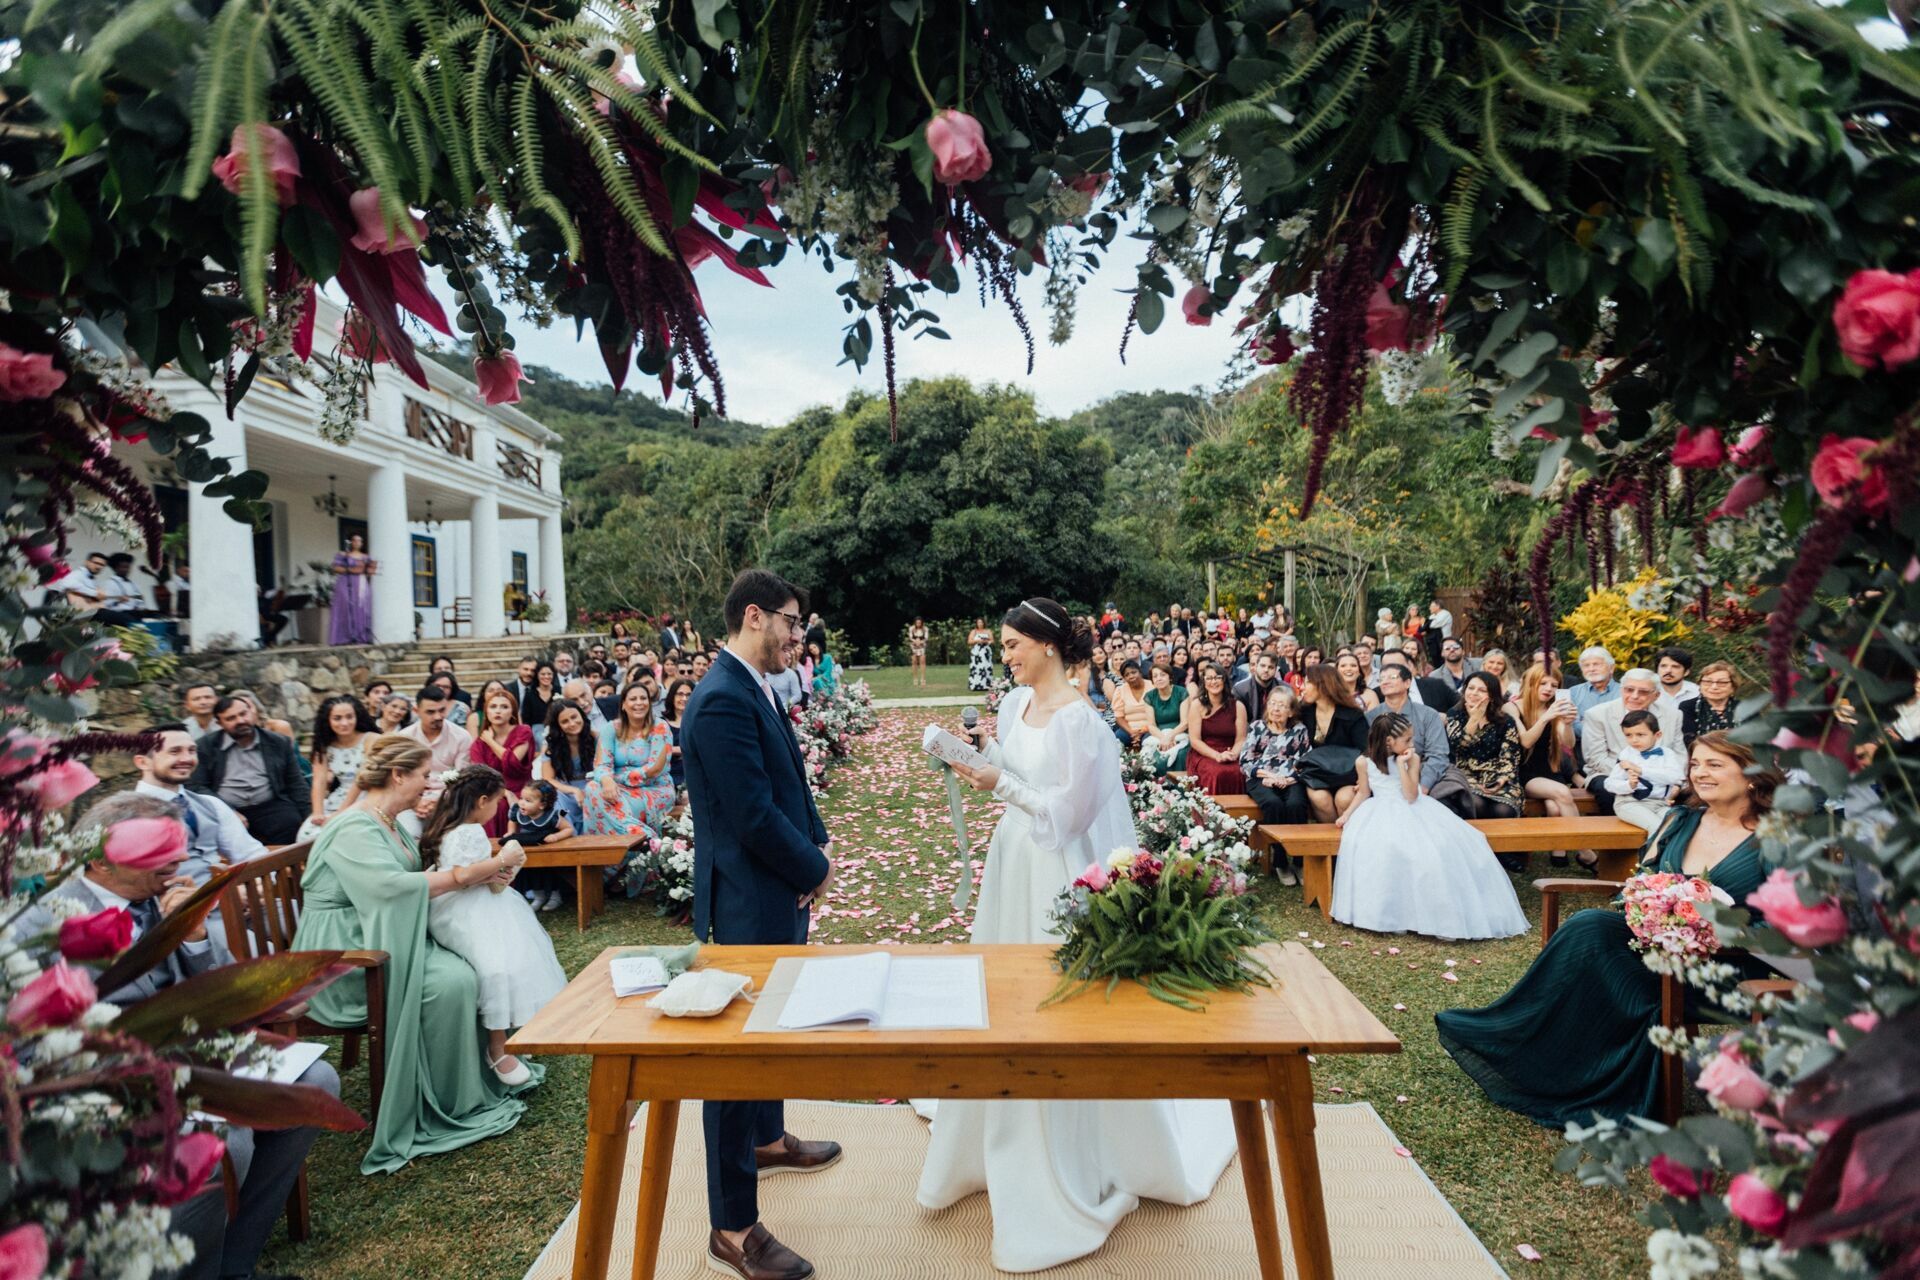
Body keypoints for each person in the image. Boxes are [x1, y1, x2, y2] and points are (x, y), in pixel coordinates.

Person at [930, 597, 1235, 1272]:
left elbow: (1067, 816)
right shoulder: (1012, 707)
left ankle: (1076, 1142)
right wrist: (979, 758)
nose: (1004, 656)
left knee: (1054, 1004)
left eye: (1013, 645)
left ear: (1046, 646)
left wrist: (997, 782)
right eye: (1004, 645)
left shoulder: (1085, 725)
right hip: (1013, 860)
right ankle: (994, 1130)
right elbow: (1012, 765)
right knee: (1001, 999)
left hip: (1058, 873)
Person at [23, 792, 340, 1280]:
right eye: (159, 851)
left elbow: (223, 991)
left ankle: (236, 1261)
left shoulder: (163, 898)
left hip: (197, 1051)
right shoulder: (42, 926)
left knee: (317, 1082)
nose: (176, 860)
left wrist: (191, 938)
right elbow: (31, 1045)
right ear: (103, 859)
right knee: (225, 1144)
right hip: (108, 1079)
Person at [1435, 733, 1780, 1127]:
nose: (1700, 773)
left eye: (1714, 765)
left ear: (1752, 775)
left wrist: (1714, 927)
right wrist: (1651, 905)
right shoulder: (1680, 819)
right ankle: (1519, 1044)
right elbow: (1641, 882)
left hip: (1721, 967)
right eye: (1696, 764)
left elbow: (1785, 928)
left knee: (1606, 957)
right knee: (1590, 924)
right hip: (1653, 947)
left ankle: (1555, 1064)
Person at [681, 570, 841, 1280]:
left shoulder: (754, 683)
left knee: (770, 1030)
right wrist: (813, 867)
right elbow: (749, 815)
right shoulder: (719, 699)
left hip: (773, 891)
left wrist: (819, 840)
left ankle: (769, 1140)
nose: (796, 637)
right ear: (754, 615)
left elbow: (788, 784)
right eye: (790, 623)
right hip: (747, 900)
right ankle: (732, 1228)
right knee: (733, 1064)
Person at [291, 734, 539, 1172]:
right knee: (450, 984)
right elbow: (388, 888)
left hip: (382, 929)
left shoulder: (389, 821)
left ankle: (470, 1081)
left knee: (469, 968)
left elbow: (411, 875)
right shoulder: (353, 826)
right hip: (344, 954)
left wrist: (479, 875)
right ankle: (448, 1099)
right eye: (423, 776)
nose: (429, 786)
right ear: (397, 774)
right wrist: (470, 873)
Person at [419, 765, 569, 1081]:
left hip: (464, 900)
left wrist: (503, 871)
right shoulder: (468, 831)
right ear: (482, 800)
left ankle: (513, 1035)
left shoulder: (452, 825)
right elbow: (463, 875)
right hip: (459, 907)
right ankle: (496, 1048)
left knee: (521, 951)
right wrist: (505, 860)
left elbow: (476, 875)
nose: (500, 808)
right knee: (498, 964)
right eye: (497, 801)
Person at [1330, 713, 1528, 939]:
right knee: (1379, 851)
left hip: (1414, 809)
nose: (1411, 744)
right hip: (1380, 810)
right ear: (1388, 742)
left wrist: (1403, 766)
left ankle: (1432, 911)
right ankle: (1387, 913)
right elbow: (1364, 792)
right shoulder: (1363, 762)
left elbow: (1411, 795)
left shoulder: (1412, 759)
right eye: (1406, 740)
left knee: (1433, 852)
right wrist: (1347, 814)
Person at [132, 725, 268, 883]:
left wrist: (261, 885)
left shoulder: (211, 804)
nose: (187, 759)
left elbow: (249, 852)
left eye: (191, 750)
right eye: (174, 751)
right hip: (179, 903)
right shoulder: (126, 815)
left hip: (234, 897)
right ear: (143, 762)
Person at [187, 696, 308, 845]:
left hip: (271, 805)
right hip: (226, 808)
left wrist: (309, 816)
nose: (240, 721)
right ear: (220, 723)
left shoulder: (277, 742)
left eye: (243, 714)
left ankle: (285, 867)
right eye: (231, 718)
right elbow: (196, 786)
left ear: (251, 712)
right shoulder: (205, 746)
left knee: (290, 822)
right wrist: (228, 811)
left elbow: (295, 782)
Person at [1509, 665, 1592, 868]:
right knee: (1563, 792)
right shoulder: (1512, 707)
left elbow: (1568, 744)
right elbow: (1526, 742)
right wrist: (1546, 717)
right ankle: (1585, 851)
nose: (1548, 689)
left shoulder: (1554, 709)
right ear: (1531, 683)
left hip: (1548, 772)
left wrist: (1567, 723)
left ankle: (1558, 853)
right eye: (1543, 683)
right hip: (1522, 772)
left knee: (1554, 805)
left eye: (1554, 685)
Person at [1581, 668, 1682, 816]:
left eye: (1643, 692)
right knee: (1608, 790)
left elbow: (1680, 754)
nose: (1634, 696)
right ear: (1621, 690)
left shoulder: (1673, 715)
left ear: (1656, 695)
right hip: (1610, 772)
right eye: (1629, 690)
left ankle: (1671, 834)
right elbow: (1596, 760)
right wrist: (1634, 774)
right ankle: (1617, 835)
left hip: (1662, 774)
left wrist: (1677, 782)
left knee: (1684, 792)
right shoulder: (1597, 714)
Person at [582, 682, 674, 838]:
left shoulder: (660, 727)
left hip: (654, 788)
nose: (639, 703)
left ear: (649, 703)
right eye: (633, 699)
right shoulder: (611, 728)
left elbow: (654, 769)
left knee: (610, 803)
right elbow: (602, 764)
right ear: (623, 704)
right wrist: (606, 780)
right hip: (618, 788)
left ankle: (637, 847)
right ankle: (643, 838)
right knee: (592, 787)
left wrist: (616, 779)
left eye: (643, 698)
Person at [1242, 683, 1311, 882]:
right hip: (1261, 778)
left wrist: (1289, 779)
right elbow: (1245, 761)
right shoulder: (1257, 727)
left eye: (1282, 705)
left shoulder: (1299, 730)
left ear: (1291, 711)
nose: (1276, 709)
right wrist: (1269, 777)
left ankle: (1298, 861)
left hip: (1290, 778)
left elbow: (1305, 760)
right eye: (1272, 703)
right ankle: (1280, 861)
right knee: (1273, 804)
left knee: (1296, 804)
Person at [1366, 660, 1455, 795]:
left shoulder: (1428, 714)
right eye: (1381, 678)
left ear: (1407, 683)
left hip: (1421, 771)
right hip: (1382, 777)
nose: (1385, 681)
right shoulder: (1371, 717)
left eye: (1392, 677)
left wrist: (1424, 785)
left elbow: (1437, 755)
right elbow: (1366, 753)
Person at [395, 686, 473, 837]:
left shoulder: (461, 736)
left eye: (442, 710)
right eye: (430, 712)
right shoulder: (404, 738)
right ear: (416, 711)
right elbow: (399, 779)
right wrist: (416, 802)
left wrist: (439, 801)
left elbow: (462, 779)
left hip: (448, 801)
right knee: (409, 834)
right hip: (410, 801)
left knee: (454, 836)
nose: (438, 716)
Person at [1299, 663, 1370, 822]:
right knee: (1319, 798)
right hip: (1320, 772)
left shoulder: (1352, 715)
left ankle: (1348, 841)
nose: (1303, 688)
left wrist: (1364, 778)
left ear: (1323, 684)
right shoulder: (1304, 712)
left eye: (1307, 683)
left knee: (1343, 799)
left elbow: (1368, 749)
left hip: (1349, 773)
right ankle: (1331, 843)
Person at [299, 694, 373, 842]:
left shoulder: (371, 739)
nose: (344, 723)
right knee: (307, 834)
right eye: (337, 718)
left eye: (349, 717)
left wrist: (341, 812)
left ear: (357, 716)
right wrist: (318, 813)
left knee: (342, 831)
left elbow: (362, 779)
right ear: (328, 720)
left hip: (369, 796)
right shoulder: (325, 745)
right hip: (339, 797)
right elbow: (319, 781)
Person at [1603, 709, 1688, 833]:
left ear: (1657, 735)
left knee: (1678, 824)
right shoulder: (1626, 755)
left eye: (1640, 735)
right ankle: (1653, 853)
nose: (1634, 740)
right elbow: (1609, 784)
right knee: (1656, 827)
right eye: (1628, 735)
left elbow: (1676, 777)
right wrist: (1628, 785)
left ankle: (1675, 852)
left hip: (1660, 803)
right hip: (1630, 803)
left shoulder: (1667, 754)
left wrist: (1641, 770)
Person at [469, 688, 534, 839]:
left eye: (504, 707)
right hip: (493, 790)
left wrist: (490, 741)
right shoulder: (478, 744)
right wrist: (504, 792)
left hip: (521, 789)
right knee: (485, 804)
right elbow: (480, 774)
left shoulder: (523, 732)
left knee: (505, 805)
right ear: (486, 712)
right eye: (493, 707)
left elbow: (513, 763)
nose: (498, 711)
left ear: (512, 712)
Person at [508, 778, 574, 913]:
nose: (522, 803)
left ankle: (555, 896)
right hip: (529, 849)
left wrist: (556, 836)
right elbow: (512, 820)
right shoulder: (519, 811)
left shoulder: (551, 816)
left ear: (542, 805)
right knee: (531, 873)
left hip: (547, 850)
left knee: (549, 873)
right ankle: (539, 897)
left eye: (528, 801)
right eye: (521, 798)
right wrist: (510, 832)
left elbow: (568, 829)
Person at [1183, 663, 1247, 795]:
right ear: (1204, 682)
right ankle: (1211, 814)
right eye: (1209, 678)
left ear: (1224, 680)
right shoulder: (1197, 705)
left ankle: (1237, 814)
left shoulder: (1238, 706)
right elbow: (1195, 740)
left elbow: (1241, 738)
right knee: (1217, 773)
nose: (1214, 682)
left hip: (1230, 752)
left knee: (1239, 772)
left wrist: (1233, 755)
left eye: (1218, 677)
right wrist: (1217, 756)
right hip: (1204, 753)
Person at [1566, 645, 1621, 744]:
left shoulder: (1624, 692)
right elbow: (1572, 724)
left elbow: (1626, 724)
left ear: (1611, 668)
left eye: (1596, 664)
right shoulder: (1573, 693)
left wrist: (1587, 724)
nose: (1591, 669)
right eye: (1586, 665)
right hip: (1582, 752)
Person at [1141, 664, 1189, 774]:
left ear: (1170, 677)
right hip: (1158, 733)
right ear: (1152, 680)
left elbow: (1185, 722)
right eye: (1155, 676)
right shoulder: (1149, 696)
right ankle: (1157, 788)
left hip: (1180, 731)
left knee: (1181, 754)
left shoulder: (1181, 692)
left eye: (1163, 675)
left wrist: (1170, 737)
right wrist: (1164, 738)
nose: (1159, 678)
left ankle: (1180, 788)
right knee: (1155, 757)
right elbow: (1151, 725)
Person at [328, 533, 375, 645]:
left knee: (361, 607)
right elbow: (336, 568)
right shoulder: (343, 555)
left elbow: (370, 571)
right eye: (355, 540)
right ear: (350, 542)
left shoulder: (366, 557)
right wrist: (350, 570)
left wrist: (366, 570)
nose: (357, 543)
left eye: (360, 541)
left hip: (361, 582)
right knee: (344, 607)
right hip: (346, 582)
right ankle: (342, 636)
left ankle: (360, 635)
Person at [1681, 662, 1741, 744]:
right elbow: (1688, 741)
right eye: (1708, 682)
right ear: (1700, 684)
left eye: (1722, 683)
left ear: (1733, 686)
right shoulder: (1688, 707)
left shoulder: (1746, 708)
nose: (1714, 687)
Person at [1107, 660, 1154, 749]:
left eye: (1133, 672)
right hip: (1129, 729)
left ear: (1140, 672)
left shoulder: (1152, 686)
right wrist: (1132, 732)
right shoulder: (1120, 690)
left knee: (1148, 742)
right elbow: (1119, 717)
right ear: (1124, 678)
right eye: (1127, 675)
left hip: (1151, 728)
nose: (1131, 676)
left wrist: (1144, 729)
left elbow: (1158, 713)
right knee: (1116, 739)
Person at [661, 677, 695, 798]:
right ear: (672, 696)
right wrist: (678, 750)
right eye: (680, 694)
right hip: (667, 774)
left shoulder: (698, 722)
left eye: (689, 695)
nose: (684, 699)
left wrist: (674, 750)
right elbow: (657, 750)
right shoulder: (660, 723)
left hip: (692, 773)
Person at [1233, 651, 1282, 725]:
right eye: (1263, 666)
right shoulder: (1240, 690)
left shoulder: (1284, 689)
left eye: (1271, 667)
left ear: (1275, 670)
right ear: (1256, 667)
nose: (1266, 670)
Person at [519, 660, 556, 739]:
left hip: (556, 729)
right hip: (536, 732)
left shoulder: (559, 691)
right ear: (537, 675)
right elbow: (526, 719)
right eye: (543, 674)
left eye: (549, 674)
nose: (546, 677)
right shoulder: (530, 694)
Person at [1653, 646, 1699, 711]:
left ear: (1686, 672)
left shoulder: (1697, 693)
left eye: (1675, 667)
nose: (1668, 670)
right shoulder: (1647, 691)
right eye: (1663, 666)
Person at [967, 619, 995, 690]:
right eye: (978, 622)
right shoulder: (974, 631)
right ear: (976, 623)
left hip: (985, 651)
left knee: (986, 667)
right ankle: (976, 684)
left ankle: (987, 684)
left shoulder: (988, 631)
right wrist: (977, 641)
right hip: (977, 652)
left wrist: (987, 642)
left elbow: (992, 640)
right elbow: (969, 641)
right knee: (977, 668)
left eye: (981, 622)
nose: (980, 624)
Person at [1425, 598, 1453, 668]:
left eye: (1431, 606)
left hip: (1443, 640)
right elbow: (1426, 626)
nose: (1429, 608)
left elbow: (1433, 625)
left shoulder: (1445, 614)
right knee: (1435, 660)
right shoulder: (1432, 616)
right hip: (1434, 642)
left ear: (1438, 606)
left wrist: (1427, 624)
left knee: (1443, 659)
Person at [907, 616, 930, 689]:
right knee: (914, 662)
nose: (918, 624)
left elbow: (926, 638)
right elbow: (910, 637)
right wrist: (916, 641)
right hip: (913, 646)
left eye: (919, 622)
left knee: (922, 661)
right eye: (917, 622)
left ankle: (923, 679)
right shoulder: (911, 628)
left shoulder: (925, 629)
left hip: (922, 646)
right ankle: (915, 679)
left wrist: (920, 642)